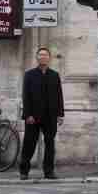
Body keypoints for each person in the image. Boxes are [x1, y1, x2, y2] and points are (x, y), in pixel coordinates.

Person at [19, 47, 65, 180]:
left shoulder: (54, 75)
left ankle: (49, 171)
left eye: (45, 55)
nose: (42, 57)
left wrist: (60, 114)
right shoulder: (29, 75)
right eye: (40, 55)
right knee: (29, 143)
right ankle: (24, 171)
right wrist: (28, 115)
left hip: (50, 116)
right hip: (33, 116)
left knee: (50, 144)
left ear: (49, 58)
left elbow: (59, 95)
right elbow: (26, 96)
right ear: (37, 58)